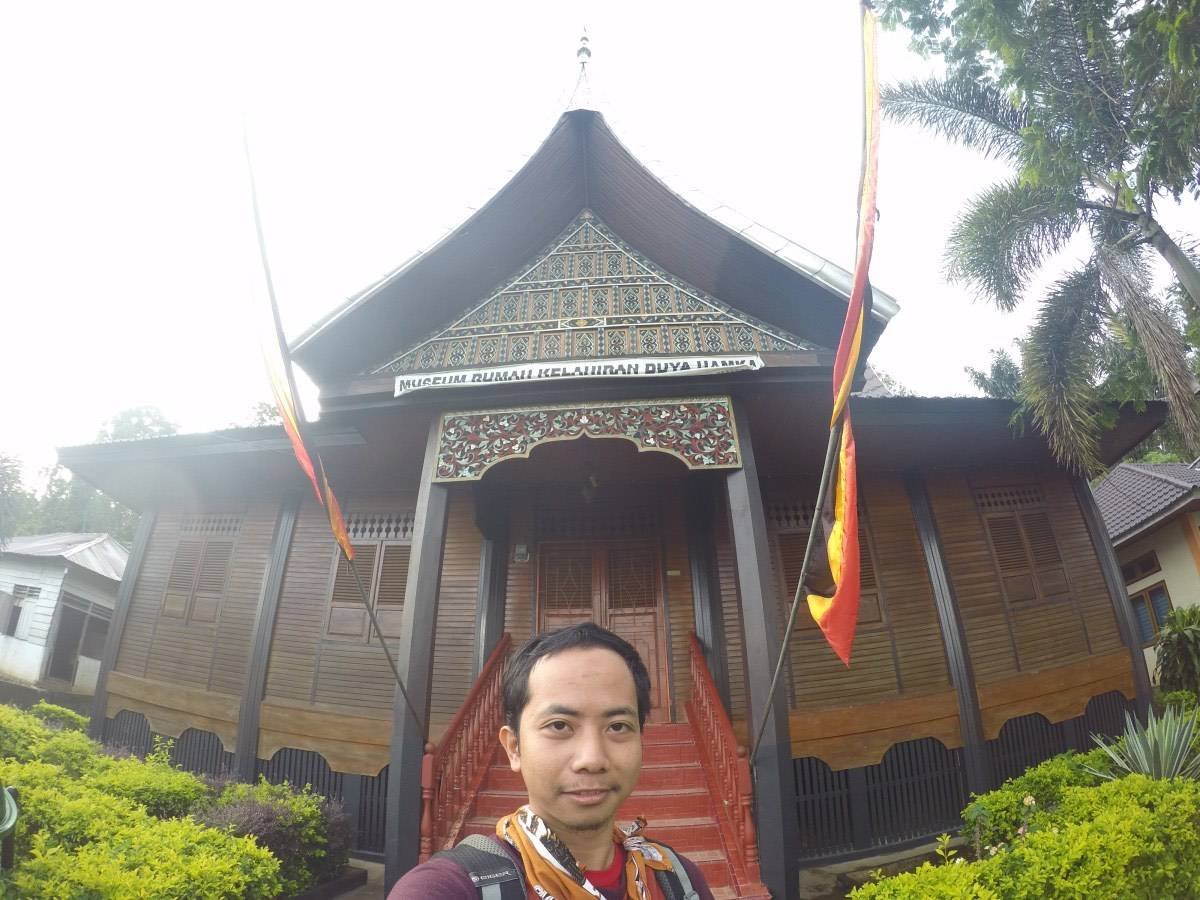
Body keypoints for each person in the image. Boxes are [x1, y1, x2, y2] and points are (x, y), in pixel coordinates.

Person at [389, 623, 715, 899]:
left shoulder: (678, 879)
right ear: (514, 748)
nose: (592, 759)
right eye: (559, 726)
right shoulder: (447, 888)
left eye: (617, 727)